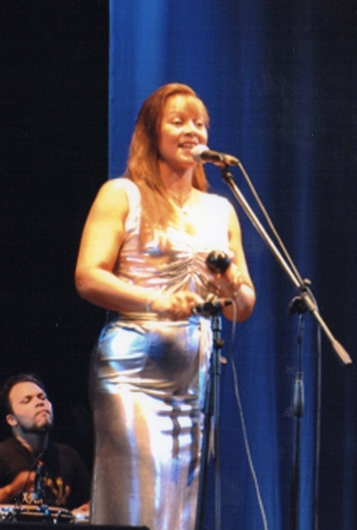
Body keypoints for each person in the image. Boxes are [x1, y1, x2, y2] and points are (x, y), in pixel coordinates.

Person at [74, 83, 256, 530]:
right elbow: (88, 276)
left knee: (179, 511)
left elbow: (244, 305)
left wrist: (231, 284)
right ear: (151, 133)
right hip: (135, 369)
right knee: (138, 504)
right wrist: (156, 300)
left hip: (195, 377)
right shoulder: (122, 194)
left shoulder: (220, 209)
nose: (192, 130)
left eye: (200, 123)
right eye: (178, 122)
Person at [0, 374, 90, 518]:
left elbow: (91, 501)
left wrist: (88, 509)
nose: (40, 402)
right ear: (12, 420)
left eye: (42, 397)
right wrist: (11, 490)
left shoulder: (68, 455)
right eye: (27, 400)